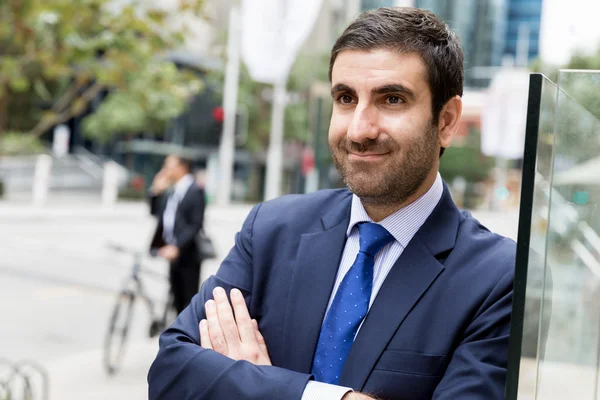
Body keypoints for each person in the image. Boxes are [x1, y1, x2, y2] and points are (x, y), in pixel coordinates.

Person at [148, 7, 516, 400]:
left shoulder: (497, 279)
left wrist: (257, 385)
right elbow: (171, 373)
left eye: (392, 99)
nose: (359, 129)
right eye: (345, 98)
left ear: (445, 121)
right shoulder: (272, 231)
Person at [149, 154, 206, 315]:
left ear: (182, 168)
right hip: (171, 252)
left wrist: (177, 246)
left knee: (188, 301)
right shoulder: (172, 191)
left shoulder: (195, 190)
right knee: (176, 298)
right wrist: (156, 192)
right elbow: (157, 214)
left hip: (188, 254)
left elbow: (196, 225)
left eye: (169, 167)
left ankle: (188, 338)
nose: (165, 171)